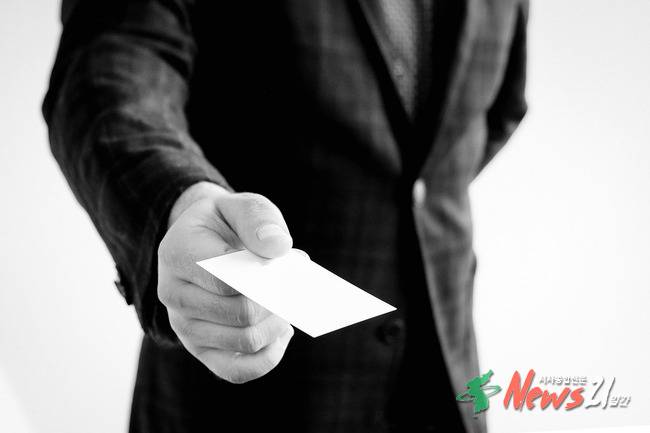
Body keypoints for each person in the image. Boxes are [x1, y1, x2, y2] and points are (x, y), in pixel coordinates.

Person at [43, 1, 528, 432]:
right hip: (248, 394)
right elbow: (111, 72)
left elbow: (497, 113)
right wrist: (181, 197)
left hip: (448, 387)